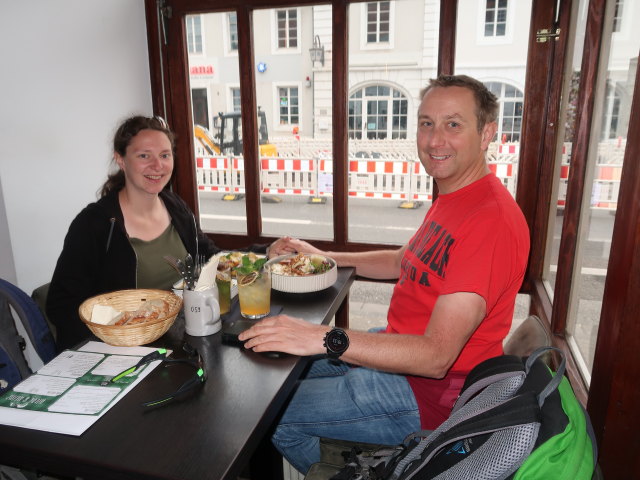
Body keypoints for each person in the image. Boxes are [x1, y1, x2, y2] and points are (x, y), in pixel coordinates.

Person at [240, 74, 531, 474]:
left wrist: (321, 336)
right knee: (278, 369)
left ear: (487, 134)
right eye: (426, 123)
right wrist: (325, 256)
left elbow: (435, 357)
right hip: (397, 353)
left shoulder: (490, 220)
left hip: (424, 394)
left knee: (264, 414)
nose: (434, 140)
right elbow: (400, 261)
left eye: (453, 124)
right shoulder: (455, 196)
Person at [47, 115, 287, 351]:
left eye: (164, 155)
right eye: (144, 156)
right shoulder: (95, 224)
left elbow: (212, 259)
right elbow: (61, 305)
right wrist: (117, 341)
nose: (157, 165)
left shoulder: (175, 206)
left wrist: (265, 252)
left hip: (185, 336)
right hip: (129, 350)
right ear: (120, 160)